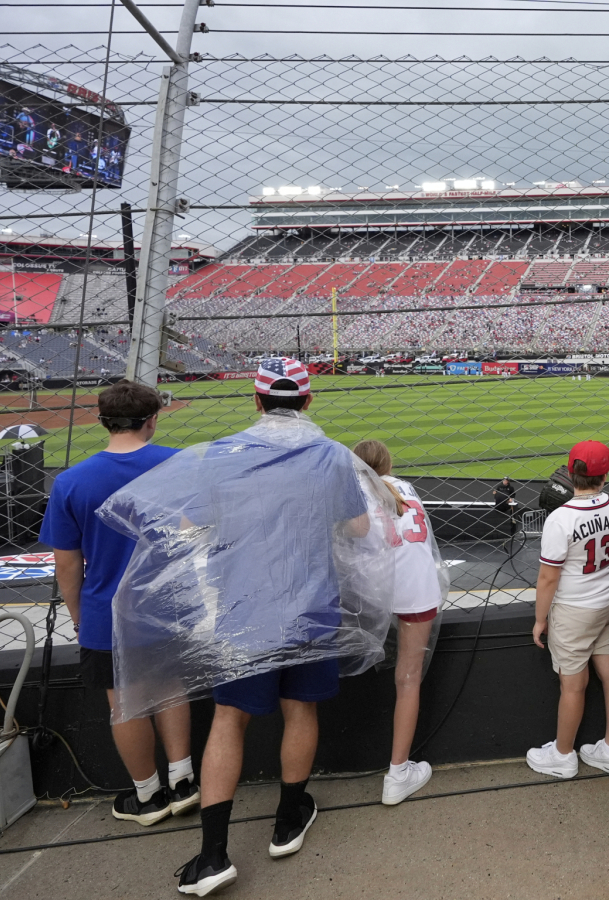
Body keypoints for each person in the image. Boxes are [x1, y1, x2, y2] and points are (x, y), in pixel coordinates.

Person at [102, 357, 394, 897]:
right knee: (300, 709)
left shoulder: (220, 454)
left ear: (256, 401)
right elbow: (357, 527)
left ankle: (213, 854)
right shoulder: (329, 456)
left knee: (229, 720)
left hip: (241, 611)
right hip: (311, 606)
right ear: (307, 402)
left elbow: (189, 528)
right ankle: (287, 819)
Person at [41, 380, 191, 825]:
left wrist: (77, 614)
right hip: (167, 603)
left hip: (105, 611)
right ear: (152, 419)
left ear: (102, 420)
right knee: (170, 688)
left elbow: (67, 566)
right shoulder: (178, 466)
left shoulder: (71, 482)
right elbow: (193, 536)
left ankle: (148, 795)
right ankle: (184, 782)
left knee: (124, 703)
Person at [526, 440, 609, 780]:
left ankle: (563, 755)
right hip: (607, 601)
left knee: (572, 686)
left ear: (571, 474)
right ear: (603, 475)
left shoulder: (560, 519)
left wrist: (540, 620)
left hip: (573, 610)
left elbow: (547, 578)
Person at [352, 440, 446, 806]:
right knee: (408, 680)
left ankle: (394, 768)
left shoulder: (353, 491)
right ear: (389, 463)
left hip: (370, 592)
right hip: (418, 588)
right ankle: (398, 771)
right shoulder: (404, 486)